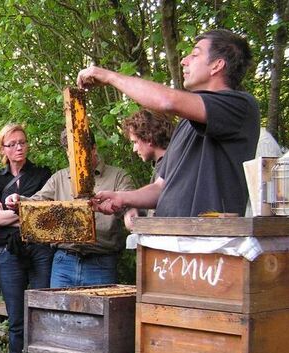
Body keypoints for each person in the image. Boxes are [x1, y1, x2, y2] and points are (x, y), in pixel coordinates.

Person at [78, 29, 260, 217]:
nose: (184, 60)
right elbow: (161, 187)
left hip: (208, 241)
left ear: (217, 65)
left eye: (195, 54)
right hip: (168, 238)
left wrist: (110, 77)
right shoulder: (186, 123)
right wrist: (122, 197)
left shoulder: (240, 106)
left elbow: (167, 101)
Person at [5, 131, 134, 287]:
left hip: (101, 261)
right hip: (64, 262)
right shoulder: (58, 178)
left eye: (79, 151)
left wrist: (121, 211)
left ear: (93, 148)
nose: (74, 157)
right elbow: (37, 202)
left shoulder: (118, 176)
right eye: (69, 152)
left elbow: (130, 209)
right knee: (58, 311)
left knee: (97, 311)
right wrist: (19, 201)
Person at [0, 123, 52, 353]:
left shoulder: (42, 175)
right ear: (3, 148)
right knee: (16, 321)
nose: (18, 148)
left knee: (41, 314)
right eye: (12, 144)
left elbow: (48, 214)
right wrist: (29, 212)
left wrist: (11, 211)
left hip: (39, 248)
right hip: (8, 252)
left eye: (22, 142)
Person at [120, 109, 174, 227]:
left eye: (135, 142)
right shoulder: (161, 166)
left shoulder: (174, 166)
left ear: (149, 139)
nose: (134, 149)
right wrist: (134, 210)